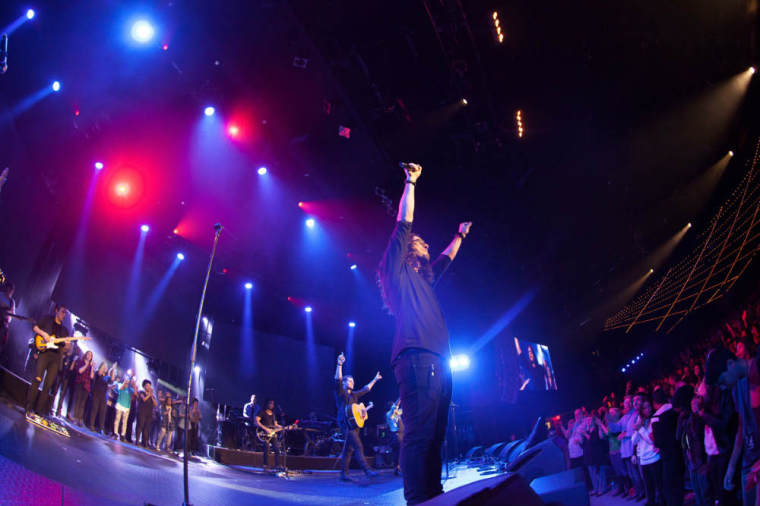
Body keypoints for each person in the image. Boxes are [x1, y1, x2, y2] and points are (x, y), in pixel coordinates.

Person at [376, 162, 472, 504]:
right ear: (409, 250)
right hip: (416, 357)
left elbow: (445, 259)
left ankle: (433, 495)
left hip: (439, 360)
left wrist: (459, 235)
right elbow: (404, 223)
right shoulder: (397, 272)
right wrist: (411, 182)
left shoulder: (425, 281)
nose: (428, 245)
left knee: (435, 435)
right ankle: (418, 498)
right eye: (423, 244)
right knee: (419, 434)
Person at [705, 346, 760, 506]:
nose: (723, 388)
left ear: (731, 364)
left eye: (722, 382)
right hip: (750, 460)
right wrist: (732, 465)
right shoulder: (737, 386)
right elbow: (742, 427)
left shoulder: (757, 372)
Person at [334, 352, 381, 480]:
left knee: (349, 449)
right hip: (345, 423)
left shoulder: (354, 395)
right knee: (358, 445)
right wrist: (339, 364)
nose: (353, 383)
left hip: (354, 424)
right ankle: (367, 470)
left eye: (353, 381)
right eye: (350, 381)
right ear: (344, 383)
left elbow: (366, 389)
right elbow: (337, 380)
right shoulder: (340, 393)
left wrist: (375, 380)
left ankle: (344, 474)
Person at [25, 304, 70, 417]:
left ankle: (39, 411)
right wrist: (44, 334)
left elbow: (65, 348)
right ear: (57, 310)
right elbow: (35, 327)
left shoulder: (64, 330)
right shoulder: (47, 320)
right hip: (44, 354)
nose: (64, 314)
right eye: (62, 311)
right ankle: (28, 408)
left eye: (65, 313)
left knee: (48, 385)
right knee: (37, 379)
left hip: (55, 359)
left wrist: (68, 346)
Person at [651, 387, 684, 506]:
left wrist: (653, 439)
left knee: (669, 486)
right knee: (679, 482)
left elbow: (658, 442)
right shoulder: (675, 410)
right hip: (680, 450)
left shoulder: (656, 418)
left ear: (655, 403)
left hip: (667, 455)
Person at [633, 398, 662, 506]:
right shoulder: (641, 422)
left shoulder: (653, 420)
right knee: (649, 486)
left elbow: (651, 440)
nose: (648, 409)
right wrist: (637, 429)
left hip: (654, 457)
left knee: (658, 486)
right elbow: (633, 441)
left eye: (649, 406)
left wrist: (640, 429)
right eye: (645, 408)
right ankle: (651, 502)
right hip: (644, 459)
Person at [54, 342, 78, 418]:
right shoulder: (63, 353)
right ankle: (50, 406)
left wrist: (74, 361)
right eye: (69, 346)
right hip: (59, 374)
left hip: (66, 377)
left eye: (71, 346)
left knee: (62, 394)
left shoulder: (73, 357)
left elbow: (71, 368)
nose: (70, 347)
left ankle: (58, 411)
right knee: (54, 391)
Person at [256, 399, 282, 469]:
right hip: (264, 433)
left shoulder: (273, 414)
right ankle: (265, 465)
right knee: (266, 449)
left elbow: (276, 424)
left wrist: (284, 427)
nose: (271, 405)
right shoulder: (262, 412)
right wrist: (265, 429)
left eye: (272, 404)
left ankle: (277, 465)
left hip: (272, 434)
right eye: (270, 403)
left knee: (277, 449)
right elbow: (257, 421)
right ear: (267, 404)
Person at [89, 362, 115, 432]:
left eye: (106, 367)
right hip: (96, 394)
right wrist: (104, 367)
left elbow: (112, 380)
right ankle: (91, 425)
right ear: (102, 367)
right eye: (105, 367)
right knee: (94, 409)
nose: (106, 368)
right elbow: (99, 375)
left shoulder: (106, 376)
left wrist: (113, 370)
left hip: (103, 396)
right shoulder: (98, 373)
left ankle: (100, 428)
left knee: (102, 412)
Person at [72, 350, 95, 426]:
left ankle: (79, 419)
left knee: (82, 403)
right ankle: (75, 417)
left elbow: (92, 377)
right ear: (86, 355)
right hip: (80, 383)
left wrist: (92, 367)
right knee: (77, 401)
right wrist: (86, 365)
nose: (89, 356)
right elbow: (80, 371)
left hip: (86, 386)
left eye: (91, 355)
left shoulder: (91, 366)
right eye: (88, 354)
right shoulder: (81, 362)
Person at [136, 379, 157, 448]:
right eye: (147, 386)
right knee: (140, 426)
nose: (149, 387)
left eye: (149, 386)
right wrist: (149, 395)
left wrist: (151, 396)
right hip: (142, 412)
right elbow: (144, 399)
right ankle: (137, 441)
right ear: (144, 386)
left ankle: (145, 442)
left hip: (149, 413)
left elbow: (155, 404)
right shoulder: (141, 392)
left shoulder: (152, 395)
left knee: (147, 428)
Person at [113, 373, 134, 441]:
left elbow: (134, 393)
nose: (127, 380)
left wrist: (133, 385)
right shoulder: (120, 384)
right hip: (120, 404)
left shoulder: (130, 388)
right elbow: (120, 389)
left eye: (128, 379)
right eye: (126, 379)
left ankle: (122, 435)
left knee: (124, 421)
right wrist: (124, 383)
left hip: (126, 406)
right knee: (117, 419)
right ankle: (115, 433)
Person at [386, 398, 403, 475]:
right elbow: (395, 407)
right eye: (394, 407)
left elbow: (403, 410)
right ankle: (397, 469)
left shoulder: (396, 414)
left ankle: (398, 469)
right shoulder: (389, 414)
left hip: (401, 434)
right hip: (395, 435)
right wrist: (401, 397)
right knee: (398, 453)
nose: (397, 408)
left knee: (401, 452)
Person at [0, 280, 16, 357]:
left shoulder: (12, 302)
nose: (9, 291)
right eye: (8, 289)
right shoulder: (0, 295)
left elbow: (12, 314)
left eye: (11, 290)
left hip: (3, 324)